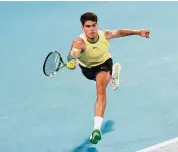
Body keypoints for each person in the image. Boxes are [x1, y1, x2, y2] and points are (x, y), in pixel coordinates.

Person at [66, 12, 150, 144]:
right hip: (88, 70)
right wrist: (72, 61)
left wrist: (138, 32)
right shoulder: (79, 42)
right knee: (101, 82)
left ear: (97, 25)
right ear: (83, 28)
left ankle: (96, 129)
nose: (92, 29)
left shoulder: (103, 34)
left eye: (94, 25)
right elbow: (73, 53)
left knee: (100, 91)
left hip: (104, 64)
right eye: (88, 26)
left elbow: (120, 32)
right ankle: (113, 76)